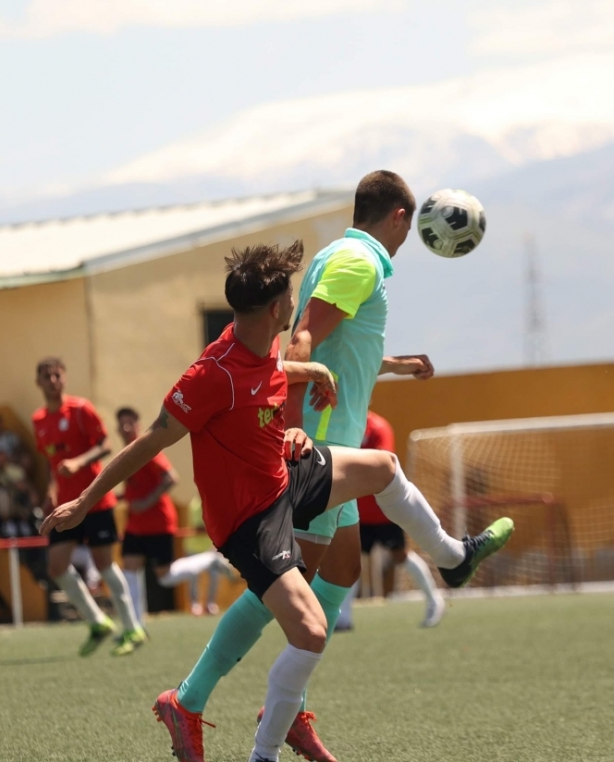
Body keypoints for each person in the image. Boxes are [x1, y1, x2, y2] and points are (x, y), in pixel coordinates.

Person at [41, 241, 513, 762]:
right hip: (250, 521)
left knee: (382, 467)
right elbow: (152, 438)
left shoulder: (260, 340)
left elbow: (269, 373)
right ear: (276, 308)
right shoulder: (210, 374)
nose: (296, 300)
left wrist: (314, 373)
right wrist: (84, 502)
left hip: (285, 476)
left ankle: (452, 558)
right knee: (311, 633)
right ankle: (257, 751)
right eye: (291, 294)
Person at [186, 170, 440, 762]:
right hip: (322, 444)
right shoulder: (361, 262)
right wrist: (295, 423)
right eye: (408, 228)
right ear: (400, 217)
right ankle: (196, 699)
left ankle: (287, 702)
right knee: (284, 584)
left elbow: (338, 353)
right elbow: (300, 344)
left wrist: (398, 365)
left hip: (334, 437)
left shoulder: (336, 253)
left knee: (342, 570)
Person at [32, 358, 143, 656]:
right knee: (56, 566)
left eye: (57, 374)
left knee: (104, 563)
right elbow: (49, 462)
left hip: (94, 501)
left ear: (64, 378)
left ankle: (132, 628)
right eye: (46, 376)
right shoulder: (39, 420)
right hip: (65, 507)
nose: (52, 379)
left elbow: (106, 444)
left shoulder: (81, 410)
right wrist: (50, 491)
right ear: (38, 382)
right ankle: (98, 622)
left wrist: (79, 462)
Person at [116, 407, 234, 625]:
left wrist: (146, 502)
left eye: (129, 423)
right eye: (121, 424)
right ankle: (135, 624)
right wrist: (122, 498)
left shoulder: (146, 449)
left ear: (138, 425)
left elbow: (171, 478)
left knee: (165, 576)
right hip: (135, 525)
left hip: (158, 524)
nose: (125, 428)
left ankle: (209, 561)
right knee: (129, 568)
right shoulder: (127, 452)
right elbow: (137, 487)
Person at [339, 410, 445, 630]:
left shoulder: (378, 427)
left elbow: (380, 465)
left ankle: (435, 600)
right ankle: (344, 617)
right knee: (350, 562)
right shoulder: (344, 423)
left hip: (384, 511)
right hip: (356, 510)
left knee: (401, 556)